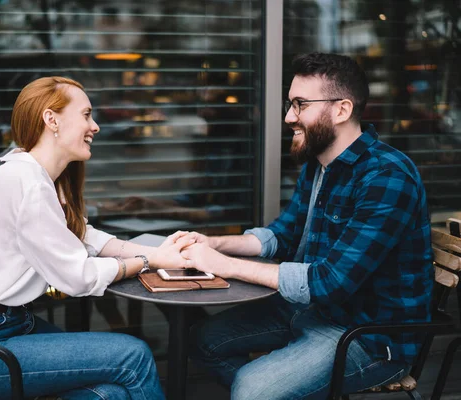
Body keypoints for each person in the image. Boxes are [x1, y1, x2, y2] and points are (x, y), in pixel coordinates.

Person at [181, 53, 433, 399]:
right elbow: (283, 235)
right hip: (311, 311)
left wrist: (223, 266)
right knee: (201, 341)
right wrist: (214, 244)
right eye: (290, 104)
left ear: (341, 110)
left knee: (253, 391)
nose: (288, 117)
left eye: (300, 105)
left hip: (366, 336)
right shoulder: (320, 165)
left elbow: (329, 282)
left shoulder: (387, 177)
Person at [0, 76, 195, 400]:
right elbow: (79, 277)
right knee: (133, 357)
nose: (96, 126)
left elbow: (84, 236)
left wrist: (157, 250)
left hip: (8, 327)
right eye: (86, 114)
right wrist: (148, 261)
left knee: (110, 394)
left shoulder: (36, 175)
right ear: (52, 119)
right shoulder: (25, 182)